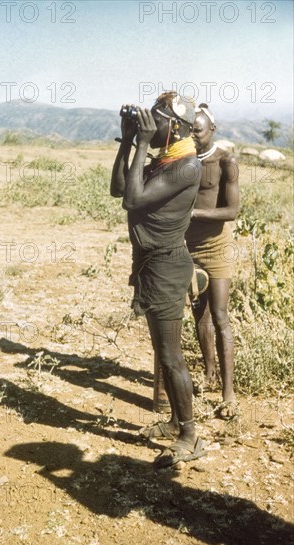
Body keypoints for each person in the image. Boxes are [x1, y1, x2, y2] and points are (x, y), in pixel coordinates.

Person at [111, 92, 207, 468]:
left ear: (176, 129)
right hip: (153, 266)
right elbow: (119, 188)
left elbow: (132, 200)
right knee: (163, 352)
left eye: (157, 120)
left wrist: (141, 144)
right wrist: (128, 142)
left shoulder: (186, 166)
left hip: (166, 267)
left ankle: (189, 434)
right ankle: (174, 424)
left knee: (170, 356)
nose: (151, 124)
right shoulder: (167, 157)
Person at [185, 103, 239, 419]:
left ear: (212, 131)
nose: (193, 134)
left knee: (219, 315)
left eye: (198, 130)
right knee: (198, 314)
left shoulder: (225, 161)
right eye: (190, 129)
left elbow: (231, 211)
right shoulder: (185, 160)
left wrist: (192, 213)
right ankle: (209, 374)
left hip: (217, 246)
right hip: (187, 247)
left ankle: (228, 395)